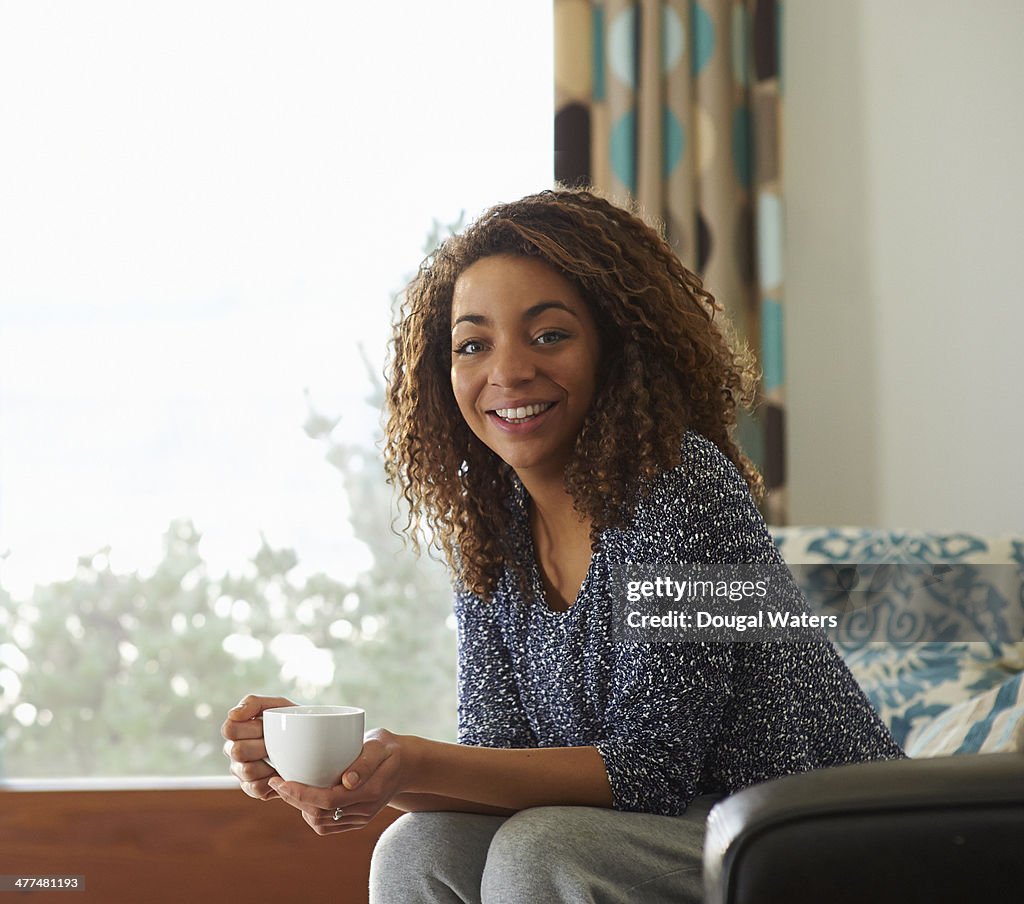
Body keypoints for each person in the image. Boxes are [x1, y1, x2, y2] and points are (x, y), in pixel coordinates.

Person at [221, 188, 904, 903]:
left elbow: (652, 769)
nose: (507, 371)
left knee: (544, 849)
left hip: (816, 841)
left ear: (615, 345)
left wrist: (410, 760)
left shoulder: (682, 486)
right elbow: (503, 771)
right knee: (418, 846)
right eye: (473, 344)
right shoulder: (491, 528)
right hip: (675, 838)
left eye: (548, 335)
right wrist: (358, 777)